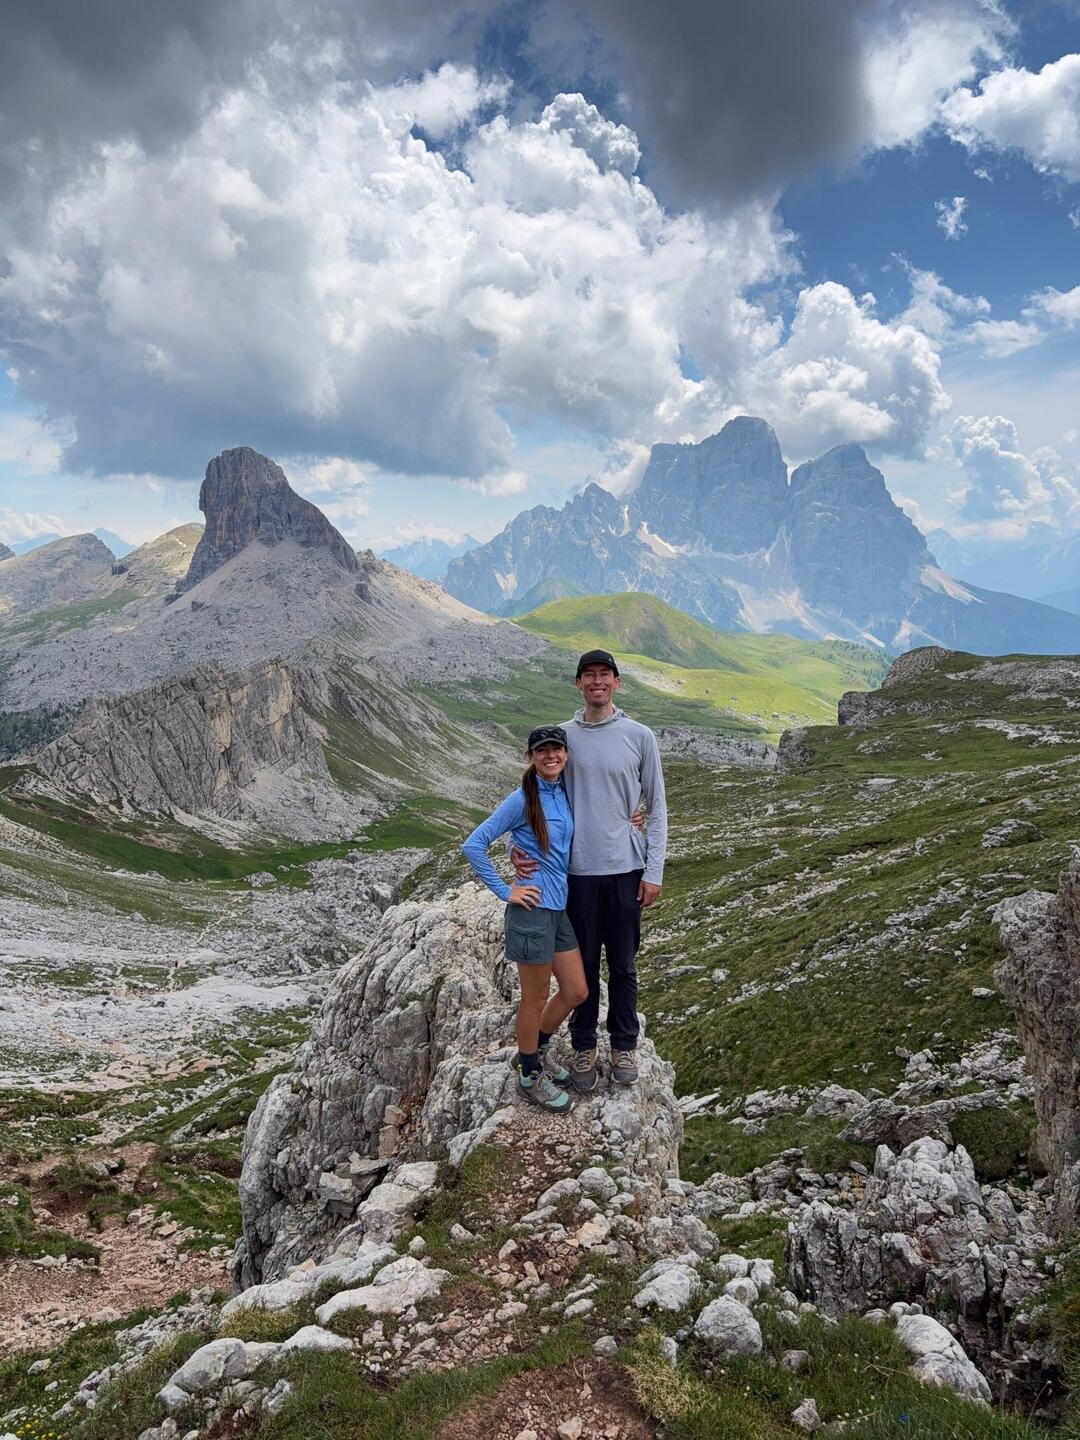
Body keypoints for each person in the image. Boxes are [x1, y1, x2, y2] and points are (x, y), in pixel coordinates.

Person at [513, 648, 667, 1092]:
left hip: (626, 869)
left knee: (623, 964)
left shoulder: (640, 736)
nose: (597, 681)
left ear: (617, 682)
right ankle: (584, 1046)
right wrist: (516, 848)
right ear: (578, 683)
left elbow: (657, 807)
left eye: (605, 674)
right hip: (575, 874)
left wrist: (653, 871)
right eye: (589, 675)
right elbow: (534, 795)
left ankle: (623, 1045)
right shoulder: (562, 737)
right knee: (582, 966)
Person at [461, 725, 589, 1114]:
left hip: (557, 909)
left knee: (576, 991)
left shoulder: (563, 791)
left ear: (565, 755)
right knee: (534, 997)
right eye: (542, 750)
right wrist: (506, 890)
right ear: (531, 757)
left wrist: (634, 817)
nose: (551, 756)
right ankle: (529, 1075)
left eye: (556, 749)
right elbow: (474, 844)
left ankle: (534, 1051)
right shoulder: (520, 798)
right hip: (531, 911)